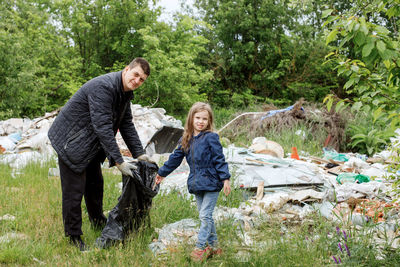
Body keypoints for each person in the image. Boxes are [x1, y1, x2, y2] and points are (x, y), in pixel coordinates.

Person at [48, 57, 154, 251]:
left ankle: (98, 222)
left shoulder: (124, 94)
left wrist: (140, 154)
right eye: (136, 74)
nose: (137, 81)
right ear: (126, 70)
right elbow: (102, 126)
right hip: (70, 142)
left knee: (95, 185)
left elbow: (126, 124)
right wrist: (118, 161)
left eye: (142, 79)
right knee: (74, 192)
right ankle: (73, 237)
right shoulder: (104, 87)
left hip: (88, 144)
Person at [154, 102, 231, 261]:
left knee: (205, 216)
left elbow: (219, 159)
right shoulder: (186, 138)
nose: (201, 121)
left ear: (209, 121)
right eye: (198, 118)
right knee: (205, 216)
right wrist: (162, 173)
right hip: (196, 183)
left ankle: (200, 247)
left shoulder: (211, 137)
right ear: (191, 118)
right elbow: (175, 158)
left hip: (212, 182)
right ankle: (215, 247)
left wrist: (225, 179)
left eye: (204, 118)